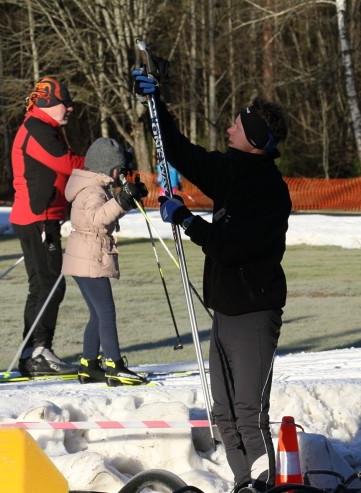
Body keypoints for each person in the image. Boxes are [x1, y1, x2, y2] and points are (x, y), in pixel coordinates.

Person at [133, 70, 291, 493]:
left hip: (253, 312)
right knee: (222, 413)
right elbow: (180, 151)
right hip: (224, 307)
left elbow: (230, 247)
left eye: (237, 125)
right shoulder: (232, 169)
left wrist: (186, 218)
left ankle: (263, 484)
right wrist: (155, 105)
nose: (228, 127)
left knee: (248, 413)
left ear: (255, 139)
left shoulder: (268, 190)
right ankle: (244, 483)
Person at [10, 77, 85, 376]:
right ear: (46, 103)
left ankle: (33, 352)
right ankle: (39, 352)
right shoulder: (37, 128)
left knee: (42, 285)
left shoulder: (43, 127)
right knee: (52, 284)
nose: (69, 107)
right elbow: (66, 163)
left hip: (38, 216)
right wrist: (102, 164)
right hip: (37, 217)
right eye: (64, 102)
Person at [61, 137, 149, 386]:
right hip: (90, 257)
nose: (119, 174)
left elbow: (105, 216)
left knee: (97, 314)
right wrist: (121, 200)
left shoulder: (92, 187)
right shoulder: (92, 191)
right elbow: (99, 218)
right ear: (109, 168)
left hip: (85, 256)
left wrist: (128, 200)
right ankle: (114, 365)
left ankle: (89, 364)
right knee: (106, 312)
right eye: (118, 169)